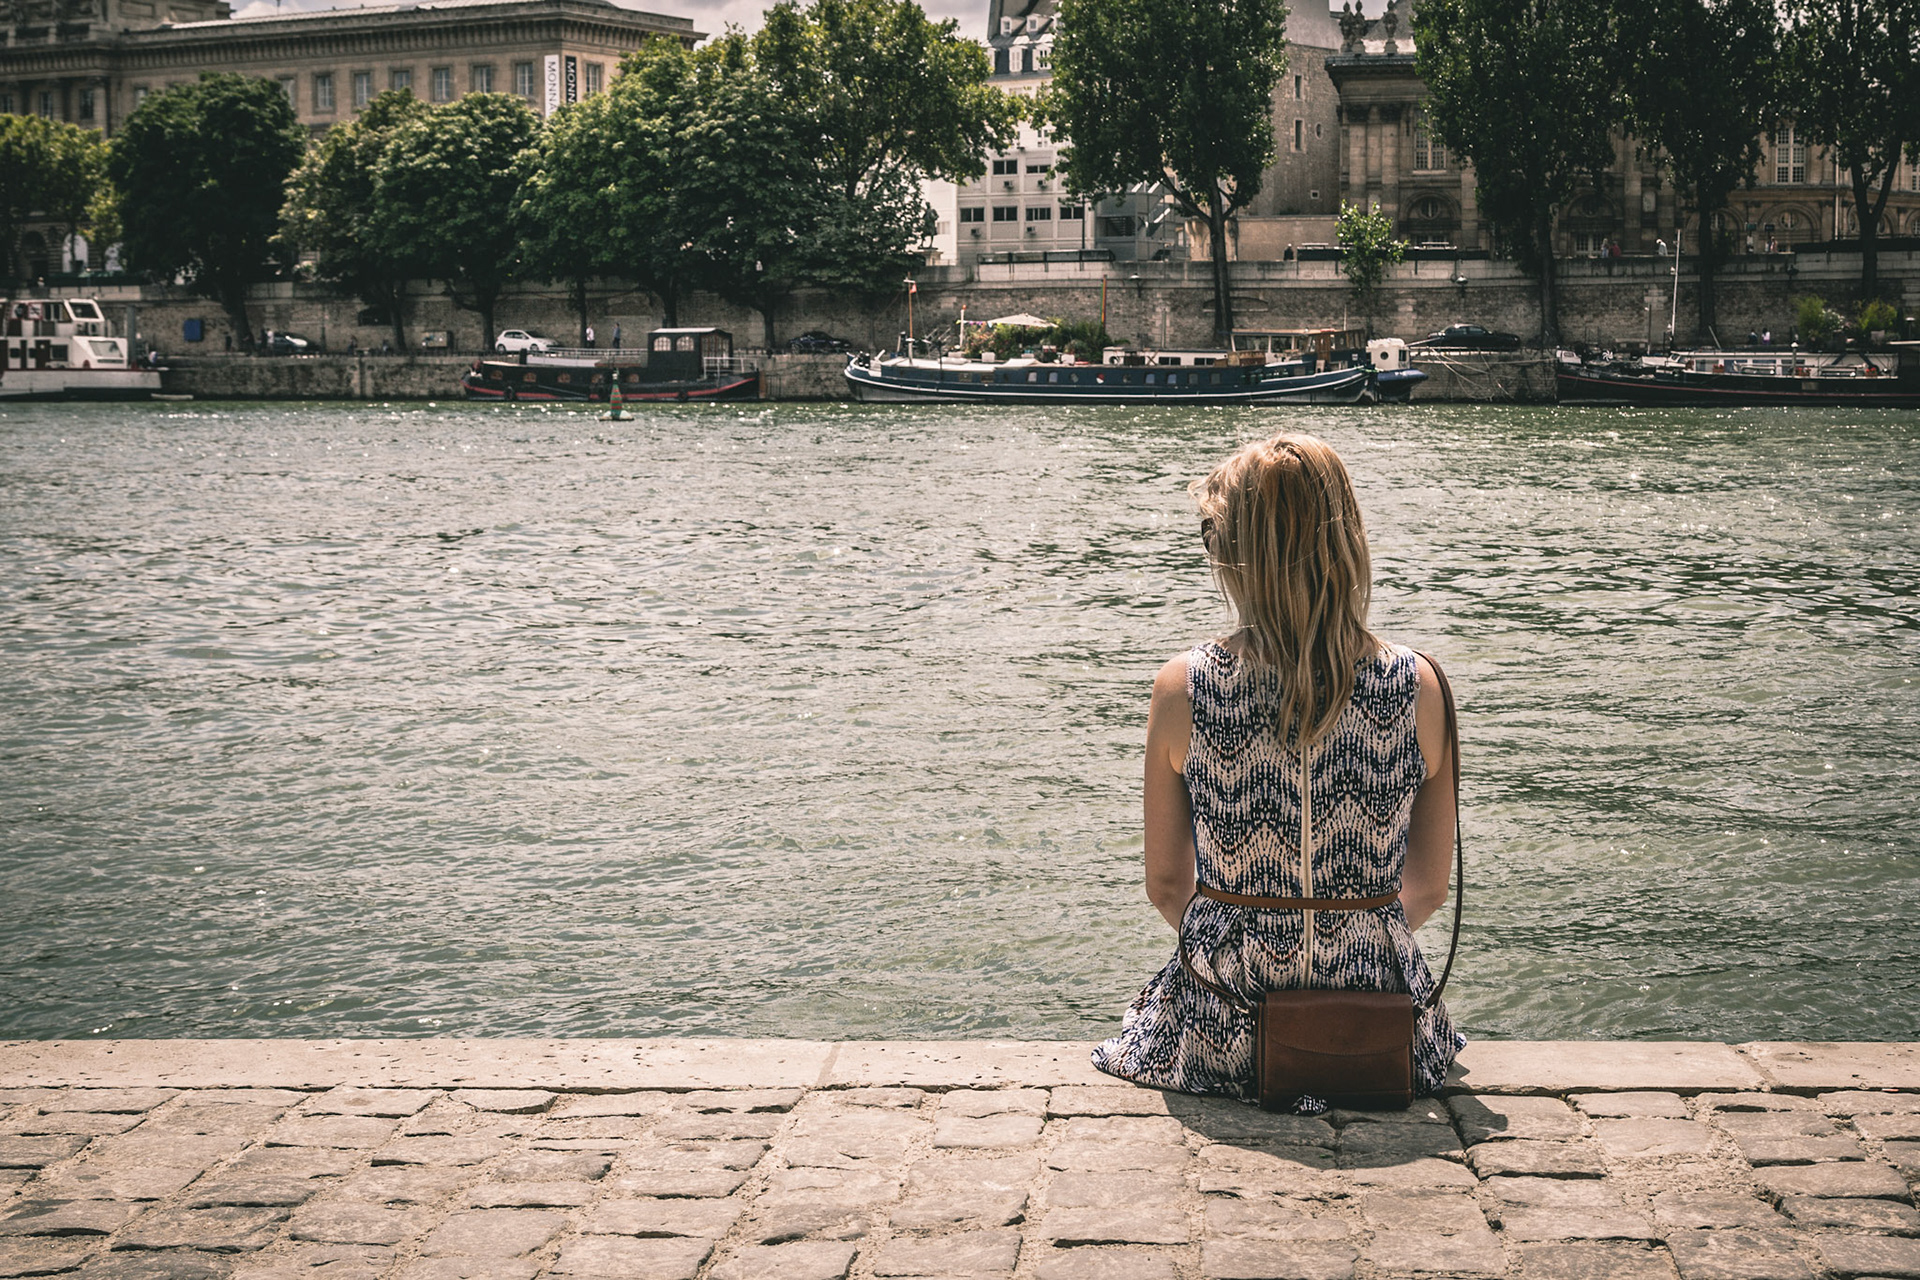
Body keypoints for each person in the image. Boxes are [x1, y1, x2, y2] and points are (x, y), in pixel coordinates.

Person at [1092, 433, 1464, 1107]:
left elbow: (1168, 885)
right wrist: (1347, 940)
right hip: (1377, 1027)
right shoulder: (1422, 687)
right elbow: (1430, 890)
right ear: (1348, 538)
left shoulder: (1185, 687)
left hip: (1224, 1026)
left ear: (1235, 556)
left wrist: (1255, 945)